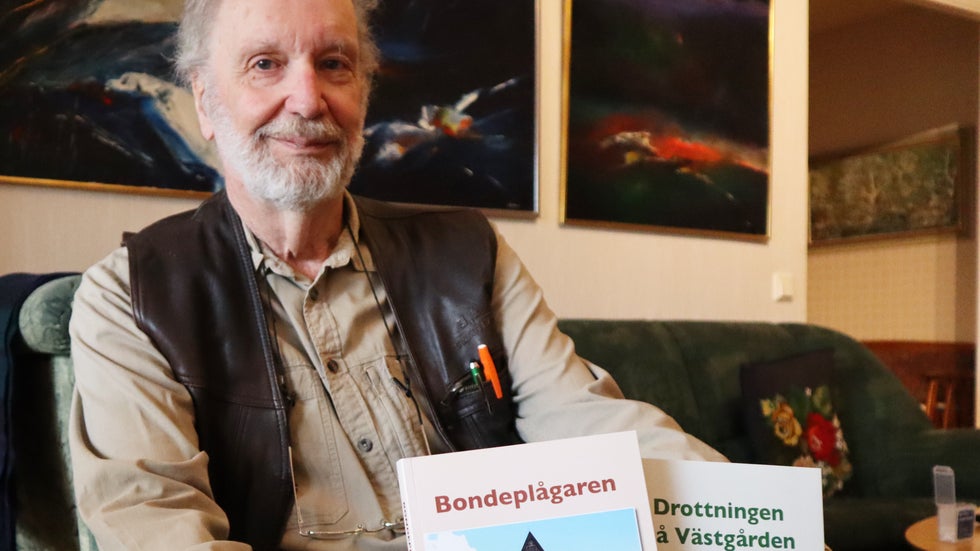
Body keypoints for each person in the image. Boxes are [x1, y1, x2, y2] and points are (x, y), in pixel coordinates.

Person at [67, 0, 726, 549]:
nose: (308, 98)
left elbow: (588, 422)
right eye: (265, 64)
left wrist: (748, 511)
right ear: (206, 102)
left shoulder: (467, 253)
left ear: (363, 92)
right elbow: (157, 520)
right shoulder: (129, 297)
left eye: (334, 64)